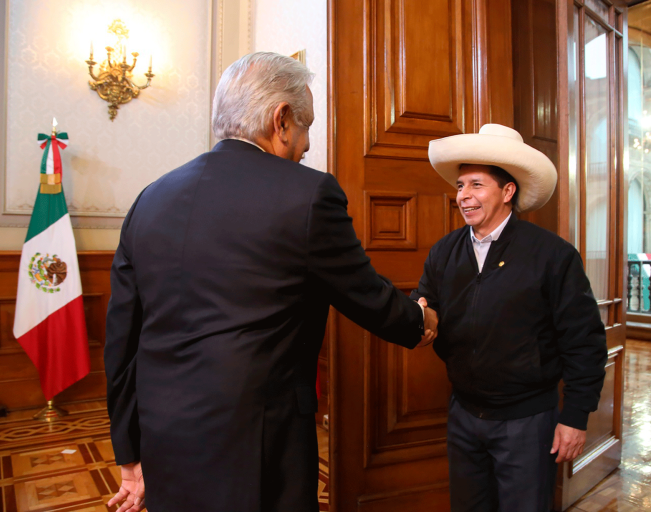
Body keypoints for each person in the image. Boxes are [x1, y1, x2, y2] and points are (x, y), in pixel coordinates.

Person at [104, 52, 437, 512]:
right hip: (257, 443)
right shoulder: (307, 193)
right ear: (281, 120)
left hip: (163, 432)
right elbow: (363, 293)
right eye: (307, 127)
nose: (306, 145)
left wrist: (129, 452)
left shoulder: (151, 197)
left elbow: (121, 337)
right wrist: (418, 321)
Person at [412, 124, 607, 511]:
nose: (463, 196)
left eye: (476, 185)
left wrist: (576, 417)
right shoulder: (444, 251)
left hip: (527, 421)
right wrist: (418, 315)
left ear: (507, 191)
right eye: (461, 185)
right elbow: (427, 303)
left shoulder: (553, 255)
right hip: (464, 414)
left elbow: (584, 341)